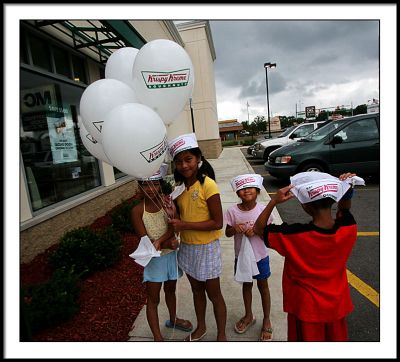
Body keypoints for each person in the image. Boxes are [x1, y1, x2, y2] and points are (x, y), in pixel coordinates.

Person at [253, 171, 365, 341]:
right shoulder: (348, 229)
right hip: (336, 305)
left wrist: (273, 201)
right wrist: (345, 189)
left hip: (306, 307)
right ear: (333, 199)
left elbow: (258, 229)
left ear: (305, 206)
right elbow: (345, 210)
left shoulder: (293, 236)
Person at [167, 133, 227, 342]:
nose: (184, 165)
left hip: (207, 248)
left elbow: (218, 222)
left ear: (199, 159)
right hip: (188, 248)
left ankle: (221, 335)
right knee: (196, 291)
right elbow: (179, 218)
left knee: (214, 294)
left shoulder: (208, 185)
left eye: (188, 159)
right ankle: (201, 327)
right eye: (179, 161)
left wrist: (184, 224)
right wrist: (172, 213)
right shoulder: (179, 190)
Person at [130, 163, 193, 341]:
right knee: (153, 298)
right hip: (154, 260)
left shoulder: (167, 202)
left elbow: (176, 226)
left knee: (171, 290)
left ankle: (173, 319)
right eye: (146, 185)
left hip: (170, 256)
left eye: (155, 183)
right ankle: (158, 337)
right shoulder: (136, 211)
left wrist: (164, 239)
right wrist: (164, 242)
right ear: (140, 187)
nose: (151, 189)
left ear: (160, 183)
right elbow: (148, 242)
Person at [224, 173, 274, 341]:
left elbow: (270, 233)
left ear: (258, 190)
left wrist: (258, 230)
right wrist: (234, 229)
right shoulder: (232, 211)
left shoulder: (262, 210)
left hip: (260, 256)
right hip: (242, 257)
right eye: (242, 189)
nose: (246, 191)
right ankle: (249, 315)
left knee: (263, 286)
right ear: (237, 193)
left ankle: (266, 319)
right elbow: (227, 232)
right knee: (246, 285)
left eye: (250, 187)